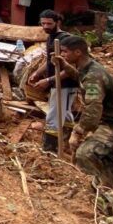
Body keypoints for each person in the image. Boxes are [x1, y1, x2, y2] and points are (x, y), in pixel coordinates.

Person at [61, 35, 113, 190]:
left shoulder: (94, 75)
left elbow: (93, 109)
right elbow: (79, 77)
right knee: (106, 160)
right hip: (107, 122)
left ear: (78, 53)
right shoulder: (87, 68)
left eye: (65, 52)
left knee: (84, 154)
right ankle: (109, 191)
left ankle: (93, 191)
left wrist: (78, 131)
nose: (63, 55)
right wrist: (65, 65)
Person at [27, 10, 74, 153]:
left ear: (58, 23)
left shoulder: (65, 40)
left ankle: (50, 150)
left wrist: (49, 80)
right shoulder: (50, 38)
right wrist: (37, 73)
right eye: (43, 23)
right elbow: (49, 61)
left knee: (54, 115)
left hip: (65, 84)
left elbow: (71, 68)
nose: (46, 26)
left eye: (49, 23)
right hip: (57, 82)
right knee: (65, 112)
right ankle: (67, 139)